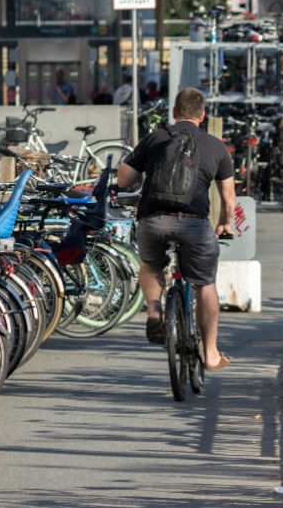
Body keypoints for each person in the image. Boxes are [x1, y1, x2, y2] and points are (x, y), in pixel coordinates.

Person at [117, 88, 236, 372]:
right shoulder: (216, 146)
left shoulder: (156, 137)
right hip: (194, 224)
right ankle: (210, 354)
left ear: (174, 112)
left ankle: (155, 310)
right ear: (202, 115)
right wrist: (224, 223)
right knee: (205, 283)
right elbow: (229, 197)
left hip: (153, 220)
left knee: (150, 264)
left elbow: (124, 179)